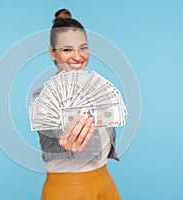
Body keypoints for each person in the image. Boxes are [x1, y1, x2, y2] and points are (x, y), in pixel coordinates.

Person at [32, 8, 121, 200]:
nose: (78, 56)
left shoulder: (101, 88)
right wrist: (67, 141)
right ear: (52, 53)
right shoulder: (42, 96)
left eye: (83, 47)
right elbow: (55, 137)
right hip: (68, 187)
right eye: (67, 50)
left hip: (104, 178)